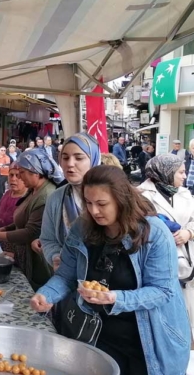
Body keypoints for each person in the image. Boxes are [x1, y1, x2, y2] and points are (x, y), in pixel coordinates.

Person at [32, 166, 191, 375]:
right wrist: (47, 294)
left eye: (102, 204)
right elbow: (66, 276)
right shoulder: (82, 228)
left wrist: (114, 298)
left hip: (149, 340)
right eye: (88, 203)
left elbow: (162, 291)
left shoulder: (154, 233)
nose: (94, 211)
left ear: (121, 200)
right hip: (99, 336)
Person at [0, 149, 62, 290]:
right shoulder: (33, 190)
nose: (19, 178)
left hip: (39, 262)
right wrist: (6, 228)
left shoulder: (46, 195)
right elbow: (23, 219)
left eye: (22, 173)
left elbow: (30, 232)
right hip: (24, 257)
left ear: (35, 172)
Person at [137, 154, 194, 337]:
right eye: (181, 172)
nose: (184, 177)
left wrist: (188, 233)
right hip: (158, 261)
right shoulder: (141, 195)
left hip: (186, 258)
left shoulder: (184, 193)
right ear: (166, 172)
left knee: (186, 311)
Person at [36, 133, 101, 271]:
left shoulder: (113, 197)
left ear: (94, 159)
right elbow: (48, 239)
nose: (70, 164)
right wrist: (55, 256)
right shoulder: (56, 198)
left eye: (79, 158)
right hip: (67, 279)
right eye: (65, 158)